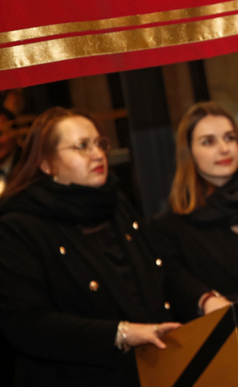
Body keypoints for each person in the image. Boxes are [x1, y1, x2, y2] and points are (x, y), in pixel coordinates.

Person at [0, 107, 187, 387]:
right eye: (82, 146)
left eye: (100, 143)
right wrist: (120, 333)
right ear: (47, 163)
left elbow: (161, 271)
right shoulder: (18, 227)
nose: (97, 154)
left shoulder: (115, 204)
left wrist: (207, 299)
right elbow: (27, 325)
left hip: (151, 371)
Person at [153, 102, 238, 322]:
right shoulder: (170, 227)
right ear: (189, 153)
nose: (224, 148)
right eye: (208, 142)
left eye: (230, 138)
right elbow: (178, 295)